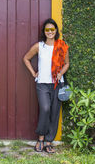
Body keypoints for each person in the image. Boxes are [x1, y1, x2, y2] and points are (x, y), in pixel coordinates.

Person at [23, 18, 69, 153]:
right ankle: (41, 138)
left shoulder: (61, 46)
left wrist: (61, 73)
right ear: (44, 31)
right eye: (47, 29)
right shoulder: (39, 46)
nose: (50, 32)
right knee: (45, 109)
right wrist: (33, 73)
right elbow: (26, 58)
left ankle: (49, 141)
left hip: (57, 84)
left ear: (56, 31)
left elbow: (67, 63)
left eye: (52, 29)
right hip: (42, 84)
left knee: (54, 112)